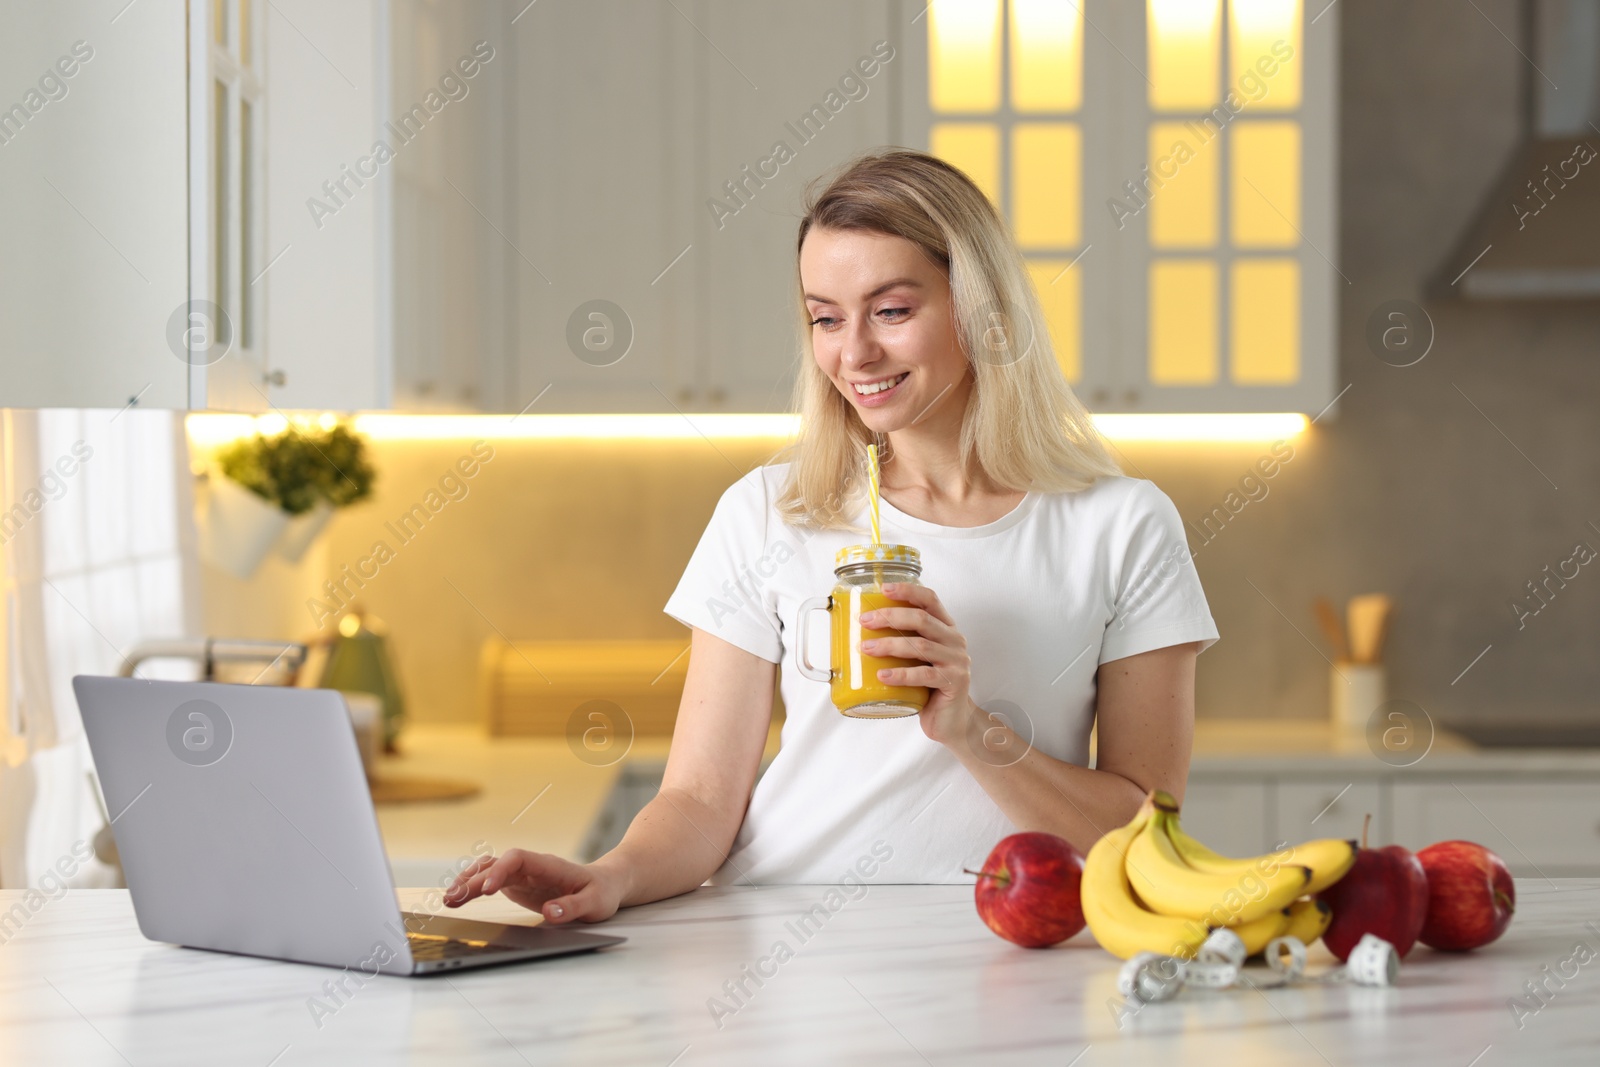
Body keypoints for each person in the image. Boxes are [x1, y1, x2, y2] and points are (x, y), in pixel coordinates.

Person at [446, 147, 1218, 924]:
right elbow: (700, 799)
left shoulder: (1122, 525)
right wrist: (610, 875)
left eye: (891, 311)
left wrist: (969, 728)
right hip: (784, 934)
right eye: (825, 317)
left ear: (981, 311)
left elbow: (1141, 832)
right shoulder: (768, 511)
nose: (853, 354)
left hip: (1015, 941)